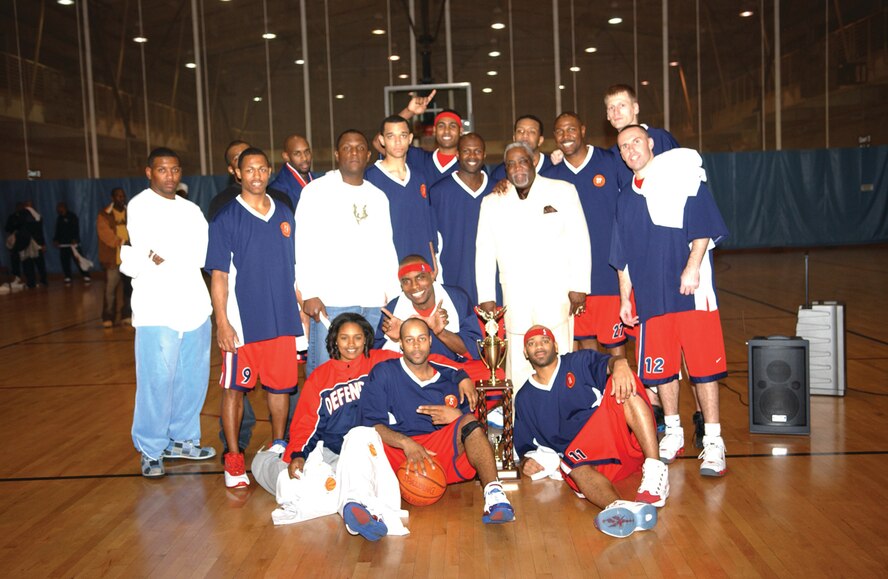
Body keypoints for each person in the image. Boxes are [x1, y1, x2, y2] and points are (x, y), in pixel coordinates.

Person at [610, 125, 730, 477]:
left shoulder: (683, 176)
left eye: (636, 142)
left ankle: (714, 441)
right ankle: (674, 432)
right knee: (662, 370)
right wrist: (625, 299)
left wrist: (692, 267)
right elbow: (622, 257)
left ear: (650, 144)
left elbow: (703, 227)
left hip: (690, 294)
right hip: (650, 298)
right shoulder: (625, 197)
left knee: (703, 369)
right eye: (623, 146)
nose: (631, 149)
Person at [251, 313, 406, 540]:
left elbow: (416, 360)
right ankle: (270, 458)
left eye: (357, 337)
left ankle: (355, 507)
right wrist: (298, 454)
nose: (351, 344)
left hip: (370, 449)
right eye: (344, 338)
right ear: (334, 340)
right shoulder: (321, 376)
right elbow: (306, 421)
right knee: (284, 478)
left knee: (352, 455)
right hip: (330, 452)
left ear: (366, 339)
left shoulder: (380, 362)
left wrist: (401, 339)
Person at [205, 147, 304, 489]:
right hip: (242, 325)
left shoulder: (285, 213)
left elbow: (295, 268)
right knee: (234, 390)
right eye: (249, 169)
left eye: (262, 169)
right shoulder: (225, 218)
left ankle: (278, 445)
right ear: (237, 173)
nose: (257, 175)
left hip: (282, 320)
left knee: (281, 388)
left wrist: (301, 310)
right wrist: (222, 322)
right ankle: (234, 456)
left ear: (270, 171)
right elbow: (219, 276)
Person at [515, 325, 668, 538]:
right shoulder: (524, 397)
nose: (539, 346)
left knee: (624, 383)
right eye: (532, 343)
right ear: (525, 352)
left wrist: (620, 364)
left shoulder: (578, 361)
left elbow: (608, 363)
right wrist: (526, 461)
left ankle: (655, 469)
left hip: (611, 436)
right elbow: (524, 444)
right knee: (572, 465)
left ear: (556, 346)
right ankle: (620, 509)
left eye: (544, 341)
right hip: (584, 460)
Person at [360, 318, 515, 524]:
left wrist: (457, 415)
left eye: (422, 339)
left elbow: (470, 428)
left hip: (438, 450)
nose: (416, 346)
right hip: (400, 451)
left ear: (430, 341)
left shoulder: (448, 378)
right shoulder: (384, 372)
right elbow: (372, 425)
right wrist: (407, 443)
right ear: (401, 344)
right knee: (361, 437)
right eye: (409, 340)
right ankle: (362, 503)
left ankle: (495, 495)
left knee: (469, 421)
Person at [120, 148, 215, 478]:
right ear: (149, 172)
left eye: (174, 170)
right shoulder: (139, 206)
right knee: (157, 382)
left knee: (192, 380)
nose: (170, 176)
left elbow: (202, 253)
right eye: (162, 170)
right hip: (156, 310)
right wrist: (160, 255)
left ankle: (183, 440)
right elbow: (152, 251)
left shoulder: (192, 210)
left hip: (195, 306)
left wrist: (166, 255)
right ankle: (151, 448)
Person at [475, 142, 591, 390]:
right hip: (515, 298)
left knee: (560, 357)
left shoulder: (563, 191)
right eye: (510, 164)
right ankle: (522, 412)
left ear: (534, 163)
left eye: (522, 161)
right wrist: (486, 298)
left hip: (556, 295)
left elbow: (579, 240)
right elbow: (484, 252)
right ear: (505, 169)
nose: (517, 168)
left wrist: (579, 285)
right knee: (518, 366)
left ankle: (562, 409)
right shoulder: (492, 202)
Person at [295, 130, 398, 377]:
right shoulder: (316, 191)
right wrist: (309, 292)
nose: (354, 152)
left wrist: (394, 296)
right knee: (326, 373)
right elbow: (303, 243)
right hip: (331, 300)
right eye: (347, 148)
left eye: (360, 148)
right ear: (336, 154)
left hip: (372, 301)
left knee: (363, 374)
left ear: (368, 155)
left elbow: (386, 247)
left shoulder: (378, 196)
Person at [544, 112, 626, 356]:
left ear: (582, 130)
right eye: (560, 131)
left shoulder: (610, 161)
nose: (565, 135)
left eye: (571, 129)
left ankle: (618, 385)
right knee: (586, 348)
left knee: (616, 350)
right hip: (573, 279)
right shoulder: (550, 176)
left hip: (609, 274)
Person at [376, 255, 483, 379]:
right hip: (412, 375)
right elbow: (379, 360)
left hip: (456, 370)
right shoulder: (393, 310)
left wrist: (442, 333)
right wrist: (397, 339)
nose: (414, 286)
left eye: (420, 277)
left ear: (432, 276)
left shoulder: (457, 298)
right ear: (401, 285)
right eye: (406, 281)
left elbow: (475, 352)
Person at [429, 133, 496, 306]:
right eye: (466, 151)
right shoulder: (438, 192)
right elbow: (431, 240)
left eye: (477, 151)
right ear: (457, 154)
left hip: (492, 282)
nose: (472, 156)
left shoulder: (497, 190)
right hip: (454, 279)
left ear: (484, 154)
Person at [365, 115, 436, 265]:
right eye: (391, 136)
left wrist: (432, 259)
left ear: (410, 138)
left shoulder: (419, 176)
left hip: (420, 262)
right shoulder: (369, 178)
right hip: (386, 264)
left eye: (403, 135)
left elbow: (427, 222)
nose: (397, 142)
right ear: (382, 140)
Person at [209, 140, 293, 221]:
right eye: (237, 158)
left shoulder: (281, 199)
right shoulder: (221, 203)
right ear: (232, 170)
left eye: (248, 153)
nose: (245, 159)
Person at [392, 89, 461, 187]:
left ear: (461, 131)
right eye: (441, 126)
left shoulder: (470, 163)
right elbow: (379, 142)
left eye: (453, 126)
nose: (446, 130)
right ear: (434, 130)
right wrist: (409, 112)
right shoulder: (417, 158)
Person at [96, 188, 132, 327]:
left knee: (129, 289)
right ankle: (108, 317)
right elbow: (105, 234)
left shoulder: (131, 213)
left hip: (128, 259)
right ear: (112, 198)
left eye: (123, 196)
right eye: (118, 196)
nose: (121, 198)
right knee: (110, 290)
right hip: (112, 259)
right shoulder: (104, 214)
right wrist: (122, 241)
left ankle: (126, 315)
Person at [489, 115, 554, 181]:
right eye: (520, 131)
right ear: (514, 138)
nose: (525, 135)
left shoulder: (553, 166)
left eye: (532, 131)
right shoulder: (500, 173)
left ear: (540, 140)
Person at [269, 134, 316, 210]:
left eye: (307, 152)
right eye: (297, 154)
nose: (304, 158)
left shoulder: (317, 181)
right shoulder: (277, 190)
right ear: (286, 156)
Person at [53, 202, 91, 284]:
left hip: (72, 244)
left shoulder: (72, 216)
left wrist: (75, 239)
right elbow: (57, 231)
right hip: (63, 244)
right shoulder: (59, 218)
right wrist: (56, 240)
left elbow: (75, 228)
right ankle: (67, 276)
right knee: (65, 261)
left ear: (64, 207)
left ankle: (86, 275)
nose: (58, 209)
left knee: (79, 260)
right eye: (57, 208)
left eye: (59, 207)